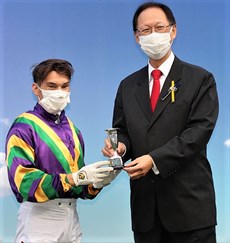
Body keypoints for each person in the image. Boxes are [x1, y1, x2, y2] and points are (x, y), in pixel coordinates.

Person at [102, 2, 219, 243]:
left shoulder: (200, 79)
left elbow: (198, 132)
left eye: (159, 27)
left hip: (190, 211)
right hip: (146, 212)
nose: (153, 35)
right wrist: (120, 148)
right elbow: (122, 130)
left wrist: (154, 159)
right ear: (136, 37)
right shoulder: (127, 86)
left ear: (173, 31)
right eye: (145, 30)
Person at [5, 59, 115, 243]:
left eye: (65, 86)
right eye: (52, 86)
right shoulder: (23, 126)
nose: (60, 92)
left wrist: (97, 182)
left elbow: (80, 188)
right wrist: (75, 178)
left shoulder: (74, 130)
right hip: (39, 220)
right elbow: (23, 182)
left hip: (72, 219)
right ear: (36, 89)